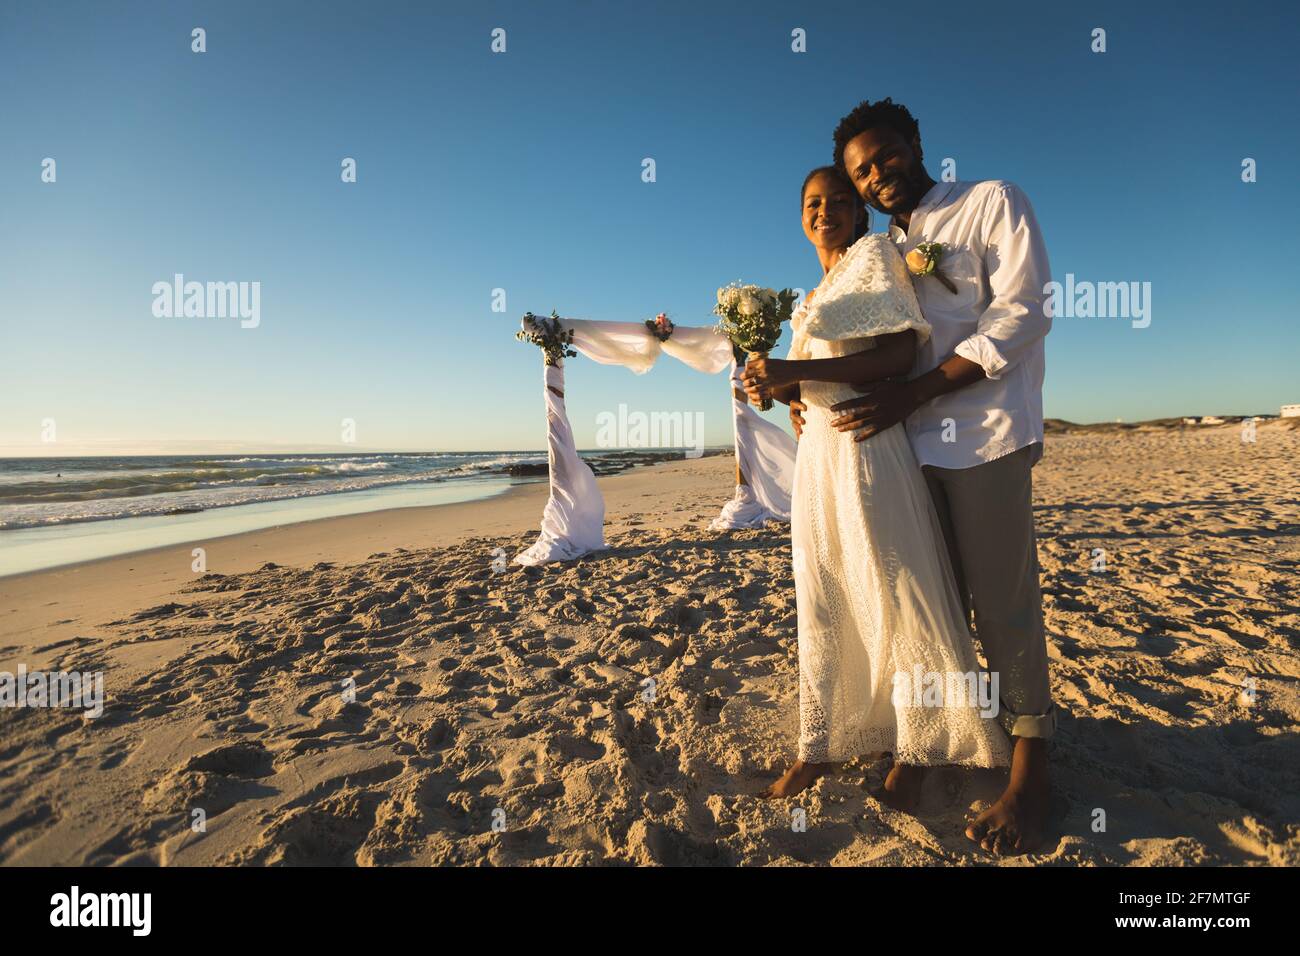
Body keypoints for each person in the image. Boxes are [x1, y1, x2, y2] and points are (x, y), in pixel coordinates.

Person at [808, 97, 1056, 855]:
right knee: (927, 609)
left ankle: (1033, 771)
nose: (877, 175)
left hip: (986, 436)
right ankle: (923, 745)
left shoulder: (991, 202)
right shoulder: (882, 246)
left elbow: (1025, 312)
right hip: (906, 448)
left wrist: (919, 390)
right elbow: (879, 342)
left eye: (884, 156)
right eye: (861, 171)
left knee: (1002, 604)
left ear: (916, 144)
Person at [743, 165, 1010, 806]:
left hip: (866, 444)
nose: (825, 210)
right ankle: (825, 741)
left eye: (839, 199)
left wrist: (795, 369)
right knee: (827, 590)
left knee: (894, 587)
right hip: (818, 456)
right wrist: (776, 388)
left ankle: (920, 744)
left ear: (860, 213)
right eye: (813, 202)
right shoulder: (815, 291)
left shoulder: (876, 255)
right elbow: (807, 380)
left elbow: (896, 356)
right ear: (799, 213)